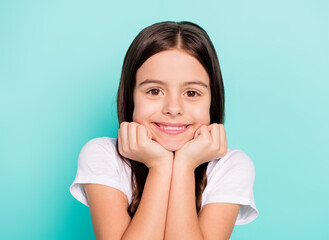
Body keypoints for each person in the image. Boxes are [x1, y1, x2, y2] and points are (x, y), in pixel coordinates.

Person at [70, 20, 258, 239]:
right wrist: (160, 165)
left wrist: (185, 165)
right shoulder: (102, 154)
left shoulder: (230, 166)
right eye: (154, 91)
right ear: (131, 97)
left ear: (212, 101)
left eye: (191, 93)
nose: (173, 108)